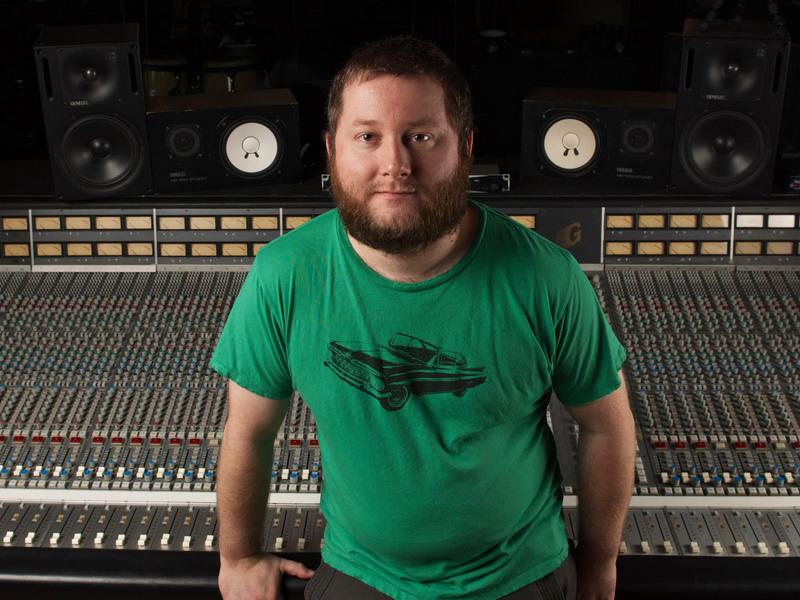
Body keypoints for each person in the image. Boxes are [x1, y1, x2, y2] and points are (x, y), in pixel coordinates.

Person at [211, 36, 635, 600]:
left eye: (421, 136)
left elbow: (606, 423)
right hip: (361, 572)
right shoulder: (282, 276)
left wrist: (600, 567)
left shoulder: (548, 277)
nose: (396, 165)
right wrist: (237, 556)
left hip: (522, 575)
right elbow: (249, 429)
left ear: (464, 146)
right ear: (332, 148)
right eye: (368, 137)